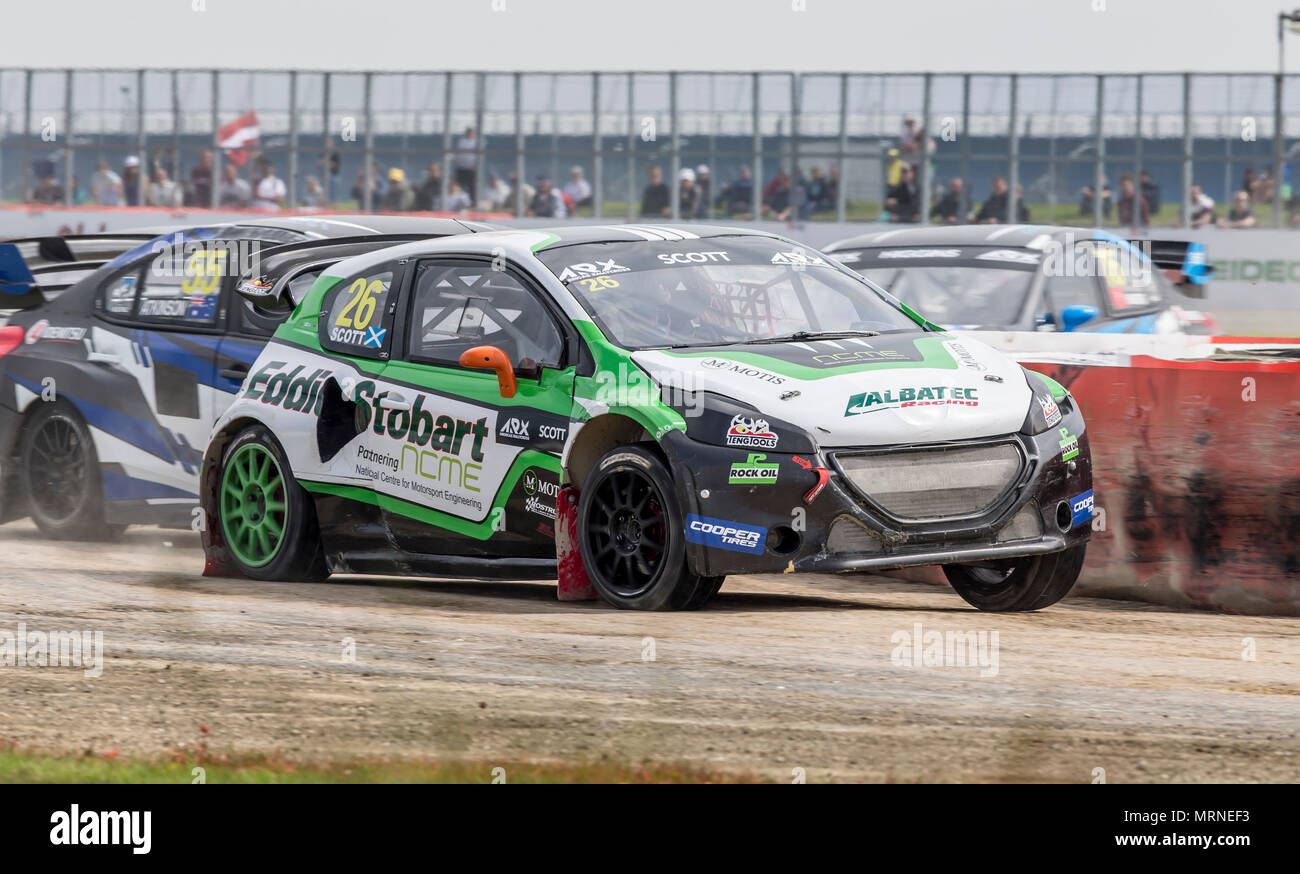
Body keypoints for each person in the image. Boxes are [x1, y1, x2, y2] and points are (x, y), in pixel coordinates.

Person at [453, 127, 478, 203]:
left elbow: (479, 156)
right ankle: (457, 201)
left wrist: (476, 165)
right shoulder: (461, 142)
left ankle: (473, 202)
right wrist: (456, 163)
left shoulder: (476, 142)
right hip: (461, 168)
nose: (469, 134)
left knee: (472, 187)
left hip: (471, 168)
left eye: (471, 133)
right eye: (468, 133)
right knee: (459, 186)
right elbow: (457, 153)